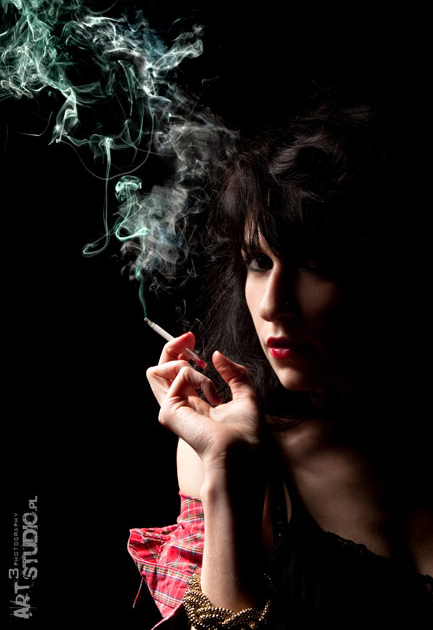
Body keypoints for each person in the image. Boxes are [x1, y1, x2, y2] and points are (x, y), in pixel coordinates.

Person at [127, 83, 433, 629]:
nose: (272, 305)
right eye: (258, 263)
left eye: (314, 264)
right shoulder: (233, 453)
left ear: (383, 272)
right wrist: (226, 474)